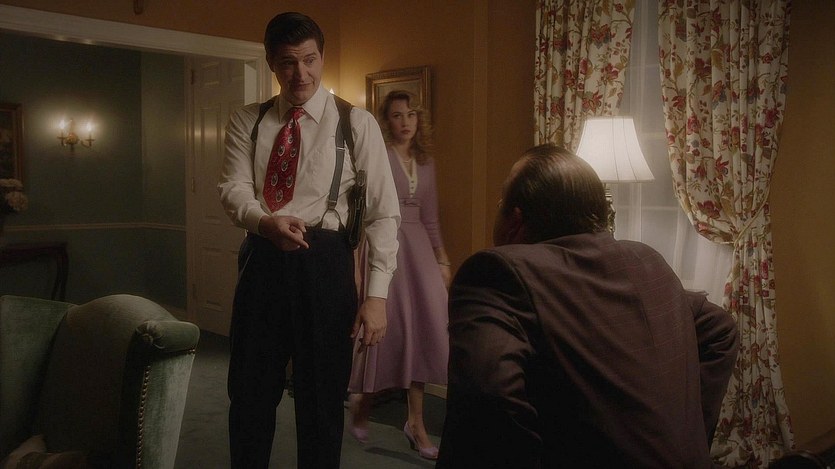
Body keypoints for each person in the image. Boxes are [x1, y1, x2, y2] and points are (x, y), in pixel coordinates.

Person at [436, 144, 739, 468]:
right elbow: (720, 329)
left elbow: (486, 400)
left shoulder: (496, 273)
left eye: (500, 205)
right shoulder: (646, 260)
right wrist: (690, 434)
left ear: (515, 220)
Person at [217, 12, 400, 469]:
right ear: (271, 64)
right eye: (288, 62)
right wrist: (265, 223)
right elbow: (233, 190)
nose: (301, 73)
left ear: (322, 57)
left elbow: (383, 214)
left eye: (310, 60)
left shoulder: (356, 123)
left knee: (321, 401)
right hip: (262, 258)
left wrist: (377, 297)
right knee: (249, 392)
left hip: (326, 264)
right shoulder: (248, 120)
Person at [346, 90, 450, 460]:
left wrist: (442, 260)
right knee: (381, 330)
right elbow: (364, 210)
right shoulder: (380, 156)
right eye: (396, 115)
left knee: (423, 332)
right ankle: (363, 399)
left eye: (411, 115)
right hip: (385, 246)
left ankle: (415, 423)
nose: (405, 122)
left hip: (419, 251)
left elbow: (430, 217)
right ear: (385, 121)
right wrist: (357, 262)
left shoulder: (426, 161)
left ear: (419, 119)